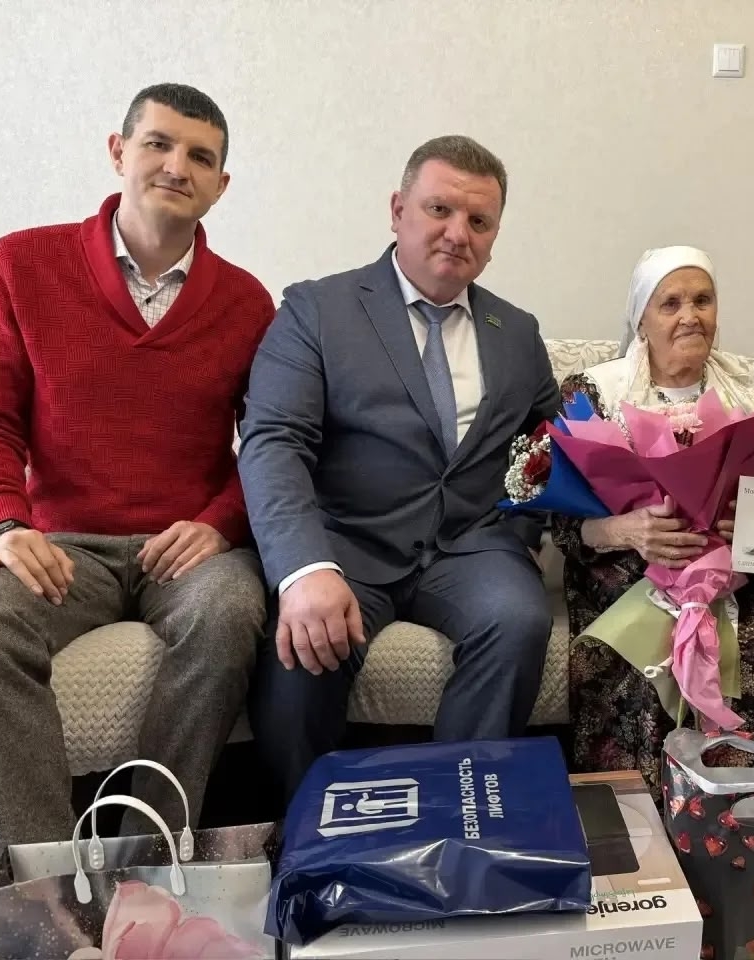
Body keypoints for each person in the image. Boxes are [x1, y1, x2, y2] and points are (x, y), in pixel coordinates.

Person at [0, 83, 273, 866]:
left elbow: (271, 444)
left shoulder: (247, 303)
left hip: (188, 551)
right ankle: (43, 889)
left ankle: (147, 866)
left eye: (201, 156)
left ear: (222, 185)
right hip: (63, 547)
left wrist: (219, 523)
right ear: (118, 151)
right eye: (158, 143)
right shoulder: (22, 264)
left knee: (233, 609)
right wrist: (1, 521)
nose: (176, 166)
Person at [240, 135, 561, 798]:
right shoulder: (316, 310)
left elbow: (546, 440)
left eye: (479, 220)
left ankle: (463, 810)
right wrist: (304, 569)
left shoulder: (518, 331)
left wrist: (521, 530)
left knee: (519, 619)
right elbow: (273, 441)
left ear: (494, 236)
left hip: (471, 548)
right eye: (439, 209)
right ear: (397, 210)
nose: (458, 233)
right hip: (346, 547)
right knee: (299, 656)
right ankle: (306, 826)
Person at [553, 246, 754, 796]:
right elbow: (562, 524)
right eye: (671, 304)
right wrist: (627, 530)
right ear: (641, 319)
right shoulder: (592, 392)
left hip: (732, 576)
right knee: (637, 647)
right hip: (625, 573)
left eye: (703, 301)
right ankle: (636, 815)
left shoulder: (751, 388)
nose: (690, 316)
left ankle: (738, 813)